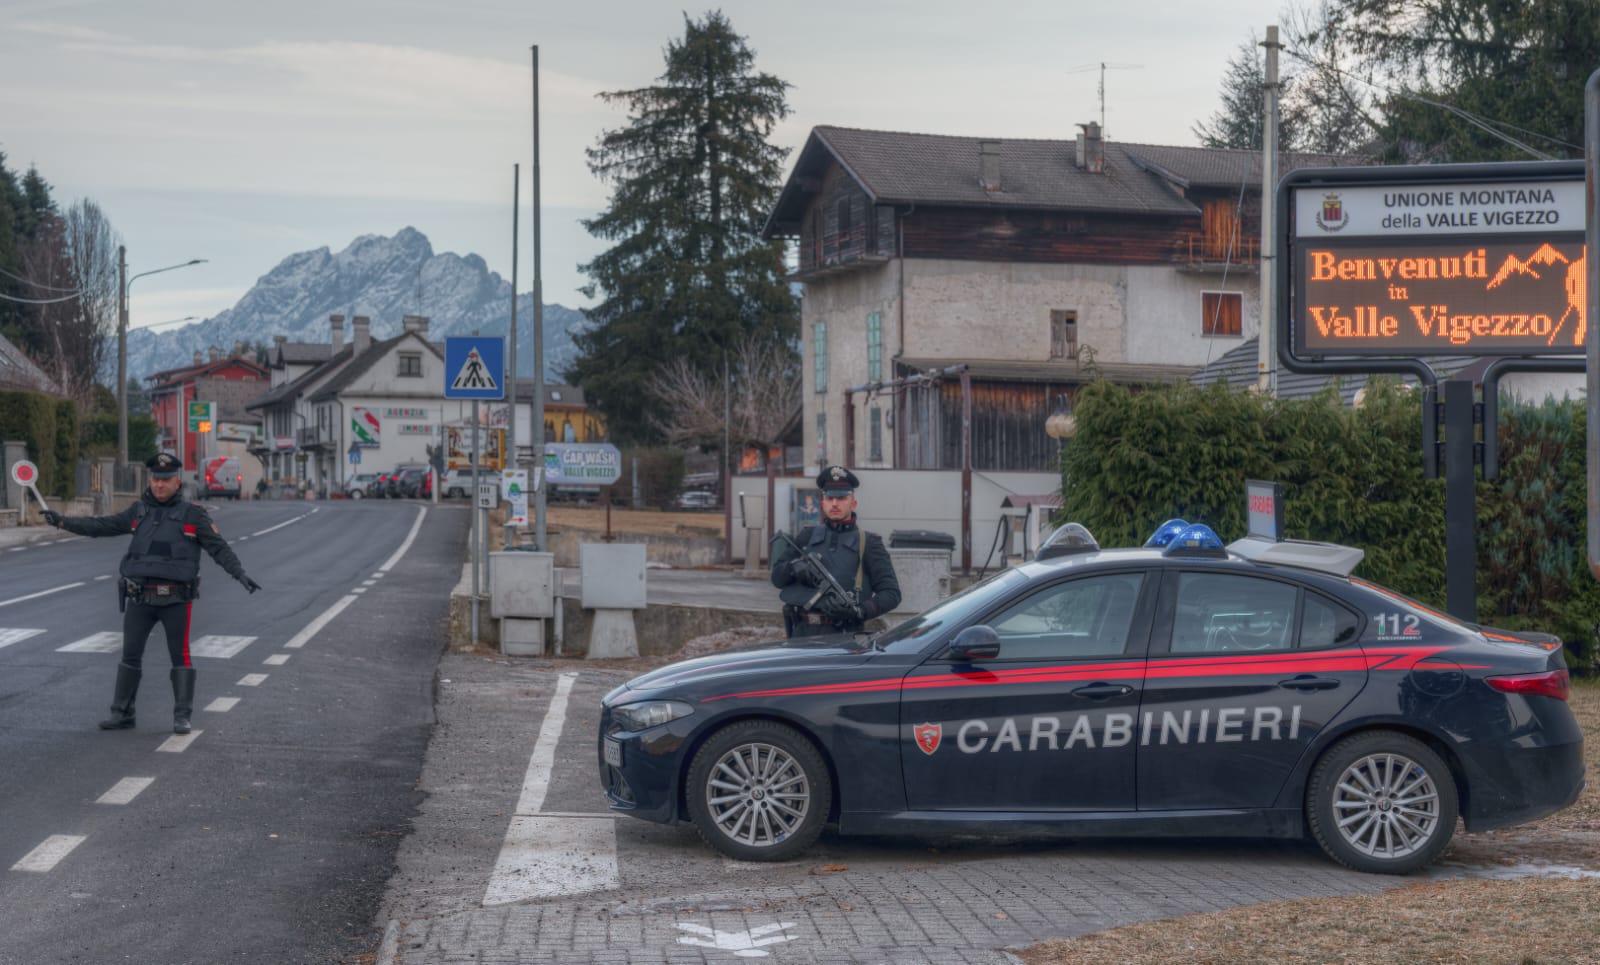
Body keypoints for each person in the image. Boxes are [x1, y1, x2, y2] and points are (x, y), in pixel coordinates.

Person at [42, 451, 261, 734]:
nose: (159, 484)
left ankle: (182, 716)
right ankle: (122, 713)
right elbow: (102, 526)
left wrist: (239, 573)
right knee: (130, 655)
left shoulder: (194, 515)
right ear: (150, 480)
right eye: (156, 479)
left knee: (180, 656)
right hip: (140, 598)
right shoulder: (138, 512)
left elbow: (218, 548)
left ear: (177, 482)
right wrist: (62, 522)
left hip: (176, 599)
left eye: (166, 480)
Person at [771, 465, 901, 637]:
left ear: (853, 503)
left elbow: (891, 594)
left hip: (845, 635)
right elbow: (777, 578)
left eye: (841, 498)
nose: (834, 504)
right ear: (822, 503)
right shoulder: (807, 536)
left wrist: (859, 611)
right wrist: (793, 568)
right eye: (829, 498)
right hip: (802, 634)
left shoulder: (869, 542)